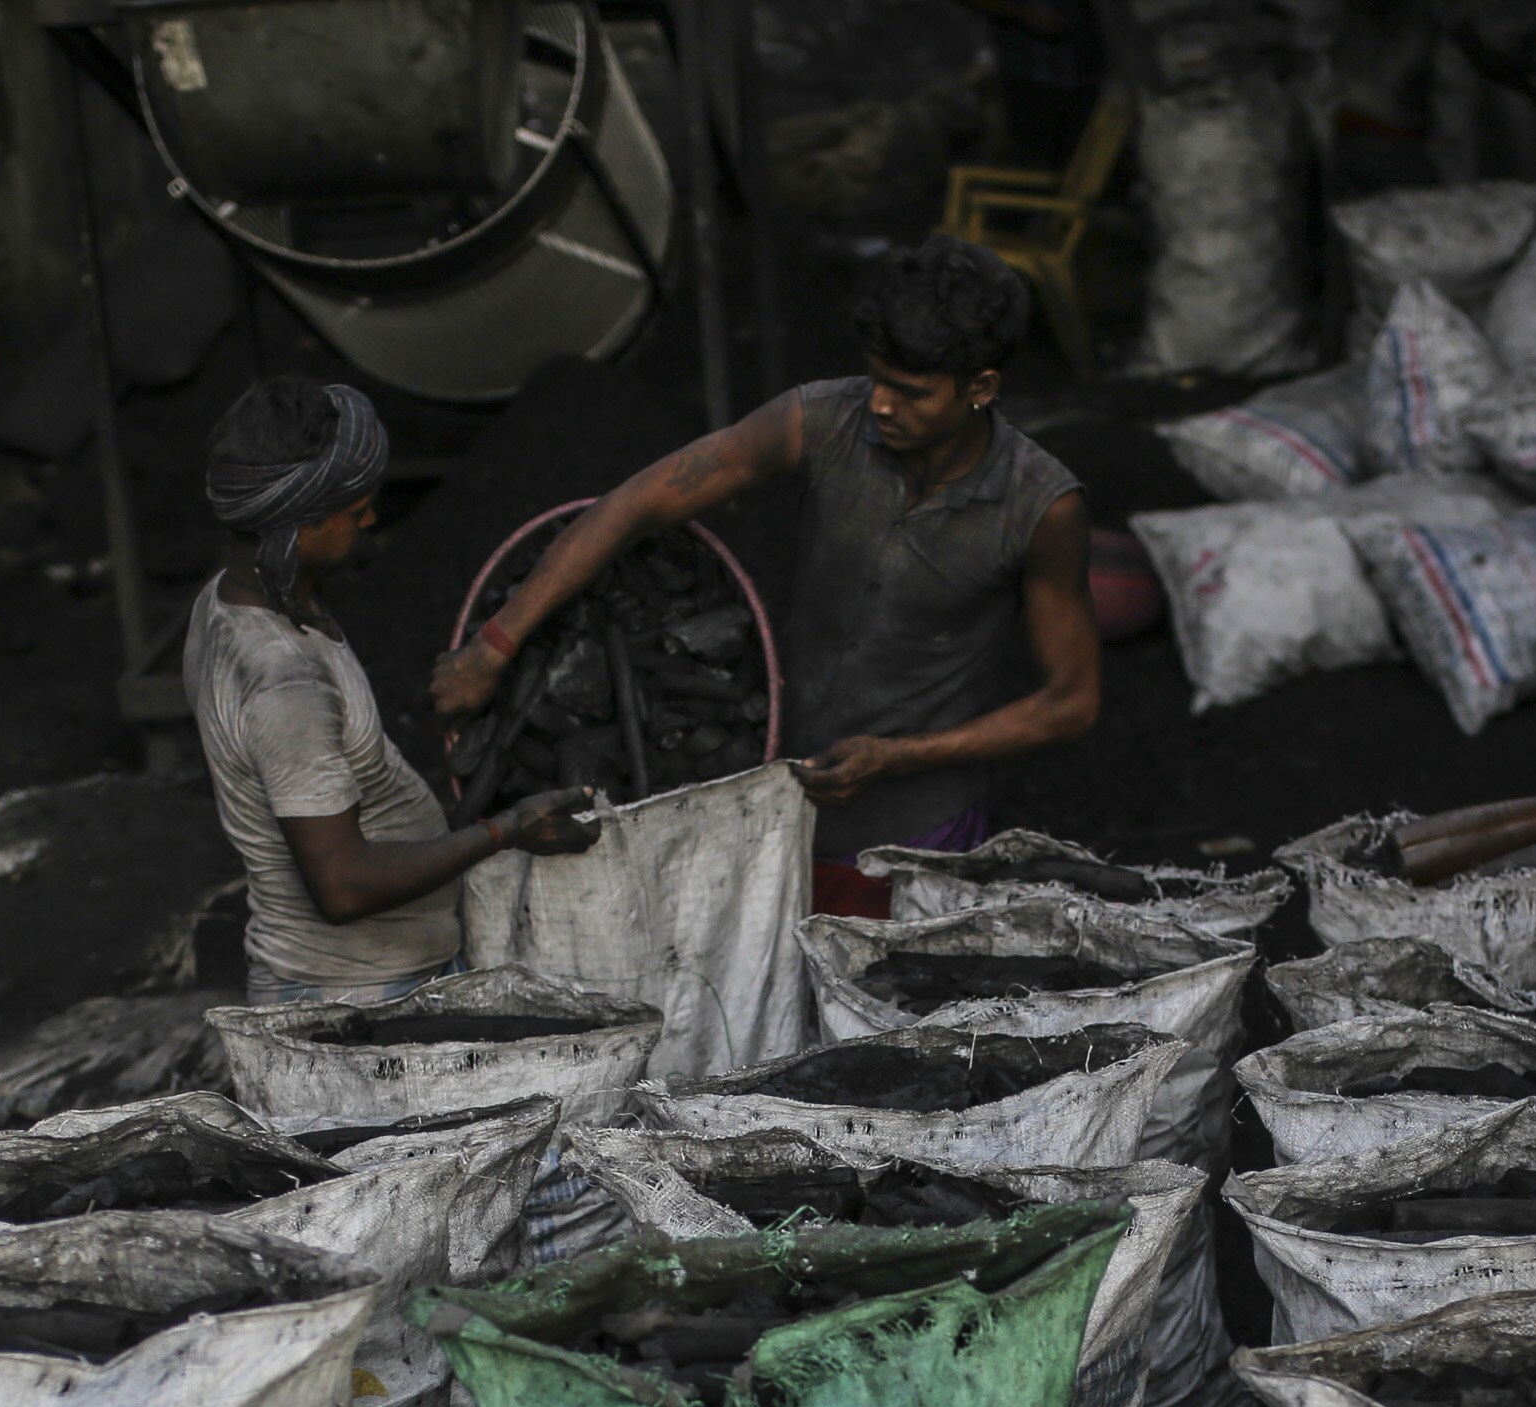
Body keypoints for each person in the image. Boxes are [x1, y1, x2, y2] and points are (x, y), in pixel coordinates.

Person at [427, 237, 1097, 915]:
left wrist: (897, 756)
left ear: (981, 388)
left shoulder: (1040, 507)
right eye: (876, 379)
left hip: (919, 835)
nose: (881, 405)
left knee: (886, 981)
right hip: (771, 803)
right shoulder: (823, 420)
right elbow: (636, 503)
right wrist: (496, 643)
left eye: (911, 392)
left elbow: (1071, 701)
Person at [192, 377, 602, 1003]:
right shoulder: (285, 682)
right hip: (356, 997)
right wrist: (505, 830)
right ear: (301, 524)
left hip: (371, 978)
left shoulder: (231, 598)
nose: (371, 519)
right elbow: (343, 889)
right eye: (355, 510)